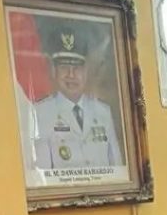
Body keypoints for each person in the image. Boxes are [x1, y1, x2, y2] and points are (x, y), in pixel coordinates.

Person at [32, 23, 123, 170]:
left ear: (85, 71)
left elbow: (117, 167)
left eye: (77, 68)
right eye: (64, 67)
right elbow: (43, 174)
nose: (71, 75)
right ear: (54, 70)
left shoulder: (103, 112)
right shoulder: (41, 113)